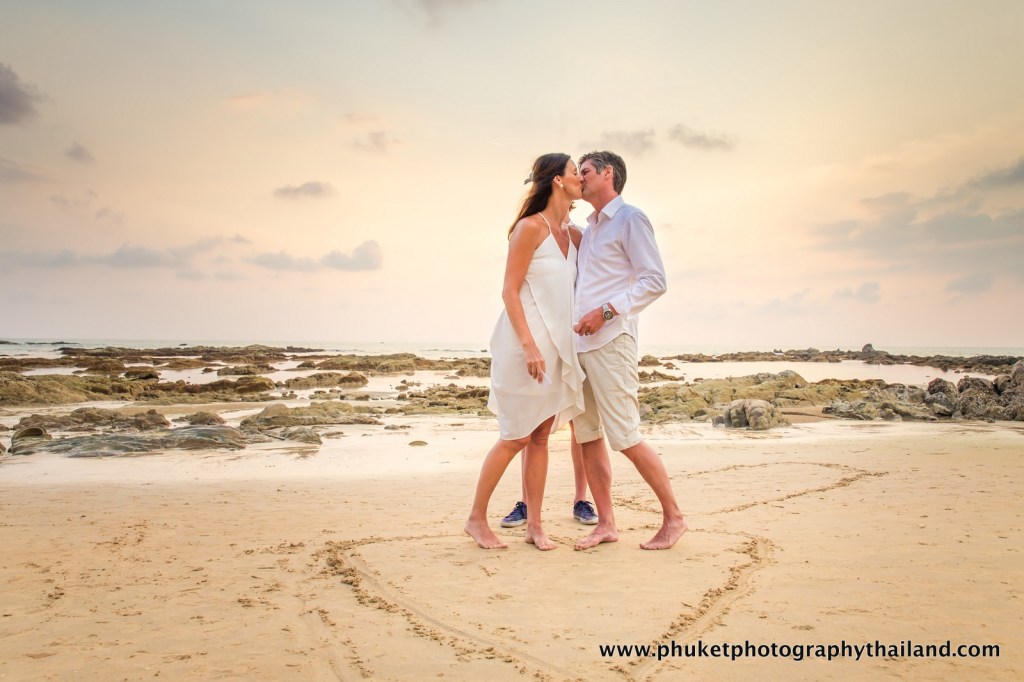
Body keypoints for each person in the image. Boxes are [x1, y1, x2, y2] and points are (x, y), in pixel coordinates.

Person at [464, 153, 585, 551]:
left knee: (539, 439)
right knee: (514, 436)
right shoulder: (529, 228)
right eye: (574, 172)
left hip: (557, 349)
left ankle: (535, 525)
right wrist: (529, 347)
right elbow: (509, 290)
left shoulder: (575, 235)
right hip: (524, 348)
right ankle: (476, 519)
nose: (580, 178)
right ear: (557, 181)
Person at [570, 150, 688, 551]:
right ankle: (606, 524)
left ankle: (674, 518)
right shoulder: (588, 231)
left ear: (607, 174)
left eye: (584, 171)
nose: (579, 177)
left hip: (612, 341)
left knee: (626, 436)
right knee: (587, 436)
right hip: (579, 346)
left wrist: (605, 312)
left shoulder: (630, 218)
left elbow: (655, 281)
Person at [499, 206, 598, 530]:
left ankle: (581, 499)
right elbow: (516, 287)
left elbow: (594, 283)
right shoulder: (533, 228)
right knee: (533, 424)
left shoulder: (580, 236)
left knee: (578, 423)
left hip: (575, 340)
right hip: (543, 339)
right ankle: (527, 502)